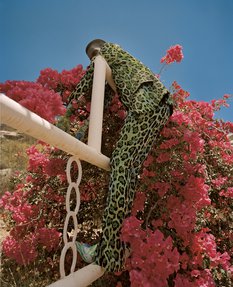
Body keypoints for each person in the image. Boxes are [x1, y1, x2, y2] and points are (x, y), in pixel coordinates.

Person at [68, 39, 173, 272]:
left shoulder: (104, 53)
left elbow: (88, 81)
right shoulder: (118, 61)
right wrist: (83, 129)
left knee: (121, 166)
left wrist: (64, 116)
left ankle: (107, 252)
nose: (92, 61)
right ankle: (118, 245)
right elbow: (101, 97)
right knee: (127, 170)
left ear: (95, 51)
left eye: (91, 57)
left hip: (146, 103)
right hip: (159, 104)